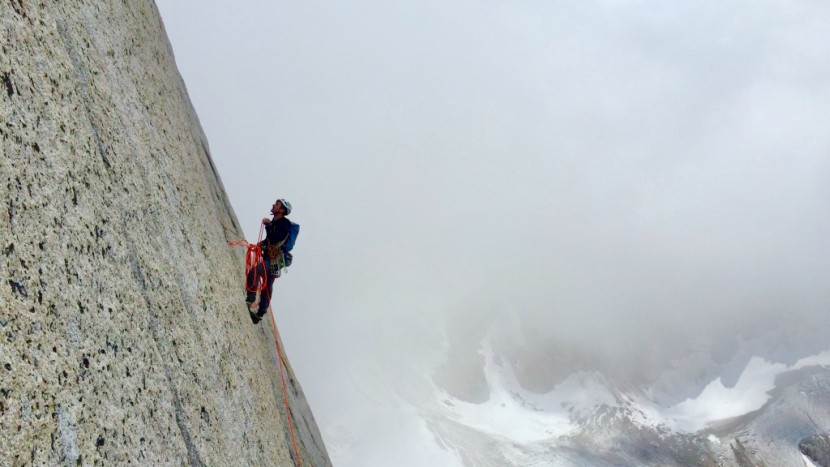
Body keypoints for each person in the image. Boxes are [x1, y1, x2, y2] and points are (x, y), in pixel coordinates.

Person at [246, 198, 292, 324]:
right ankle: (260, 313)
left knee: (254, 272)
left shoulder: (284, 224)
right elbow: (270, 240)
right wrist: (262, 243)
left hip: (274, 260)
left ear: (282, 210)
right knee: (268, 285)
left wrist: (268, 225)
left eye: (277, 204)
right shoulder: (276, 222)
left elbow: (276, 237)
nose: (273, 205)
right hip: (272, 259)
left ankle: (250, 299)